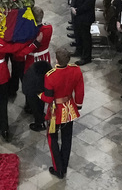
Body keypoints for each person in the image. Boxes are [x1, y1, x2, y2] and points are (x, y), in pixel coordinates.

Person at [0, 16, 42, 141]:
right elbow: (13, 48)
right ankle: (5, 129)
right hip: (2, 74)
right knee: (2, 102)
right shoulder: (2, 39)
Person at [39, 47, 84, 179]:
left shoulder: (50, 75)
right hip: (69, 108)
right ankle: (64, 165)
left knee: (52, 137)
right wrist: (79, 104)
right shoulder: (76, 70)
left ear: (56, 59)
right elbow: (80, 89)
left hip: (55, 111)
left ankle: (58, 168)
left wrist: (38, 94)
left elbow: (48, 98)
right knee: (67, 138)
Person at [70, 0, 97, 65]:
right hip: (77, 14)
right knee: (78, 34)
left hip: (85, 16)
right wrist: (72, 5)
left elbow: (88, 4)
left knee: (85, 37)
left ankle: (86, 57)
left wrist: (77, 10)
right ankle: (79, 50)